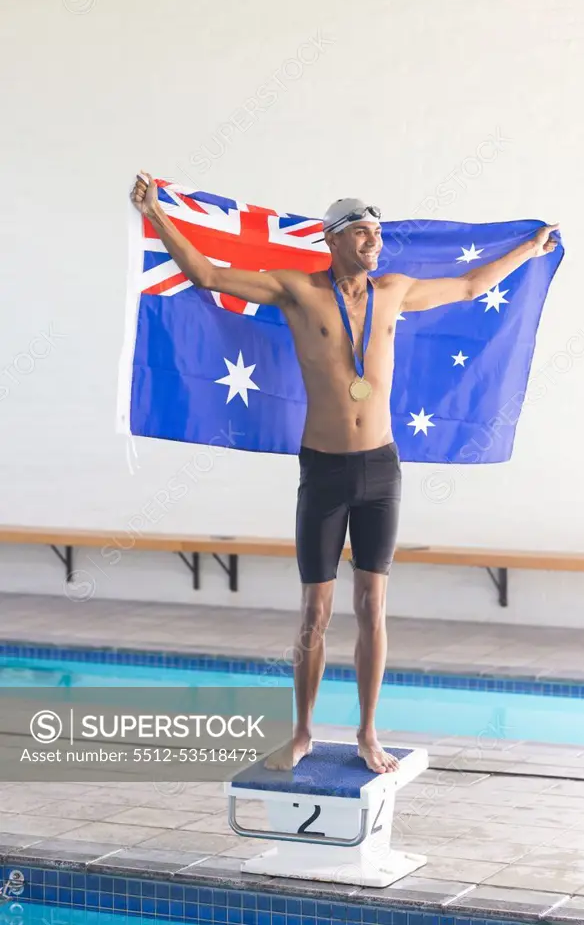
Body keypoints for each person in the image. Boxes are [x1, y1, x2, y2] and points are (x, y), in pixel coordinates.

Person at [130, 173, 558, 773]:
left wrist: (527, 251)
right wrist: (156, 214)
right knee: (315, 613)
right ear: (332, 240)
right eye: (362, 232)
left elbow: (468, 284)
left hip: (381, 468)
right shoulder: (299, 291)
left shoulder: (395, 291)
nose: (373, 241)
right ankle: (303, 731)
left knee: (373, 606)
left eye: (377, 233)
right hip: (325, 470)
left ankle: (367, 733)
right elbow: (206, 276)